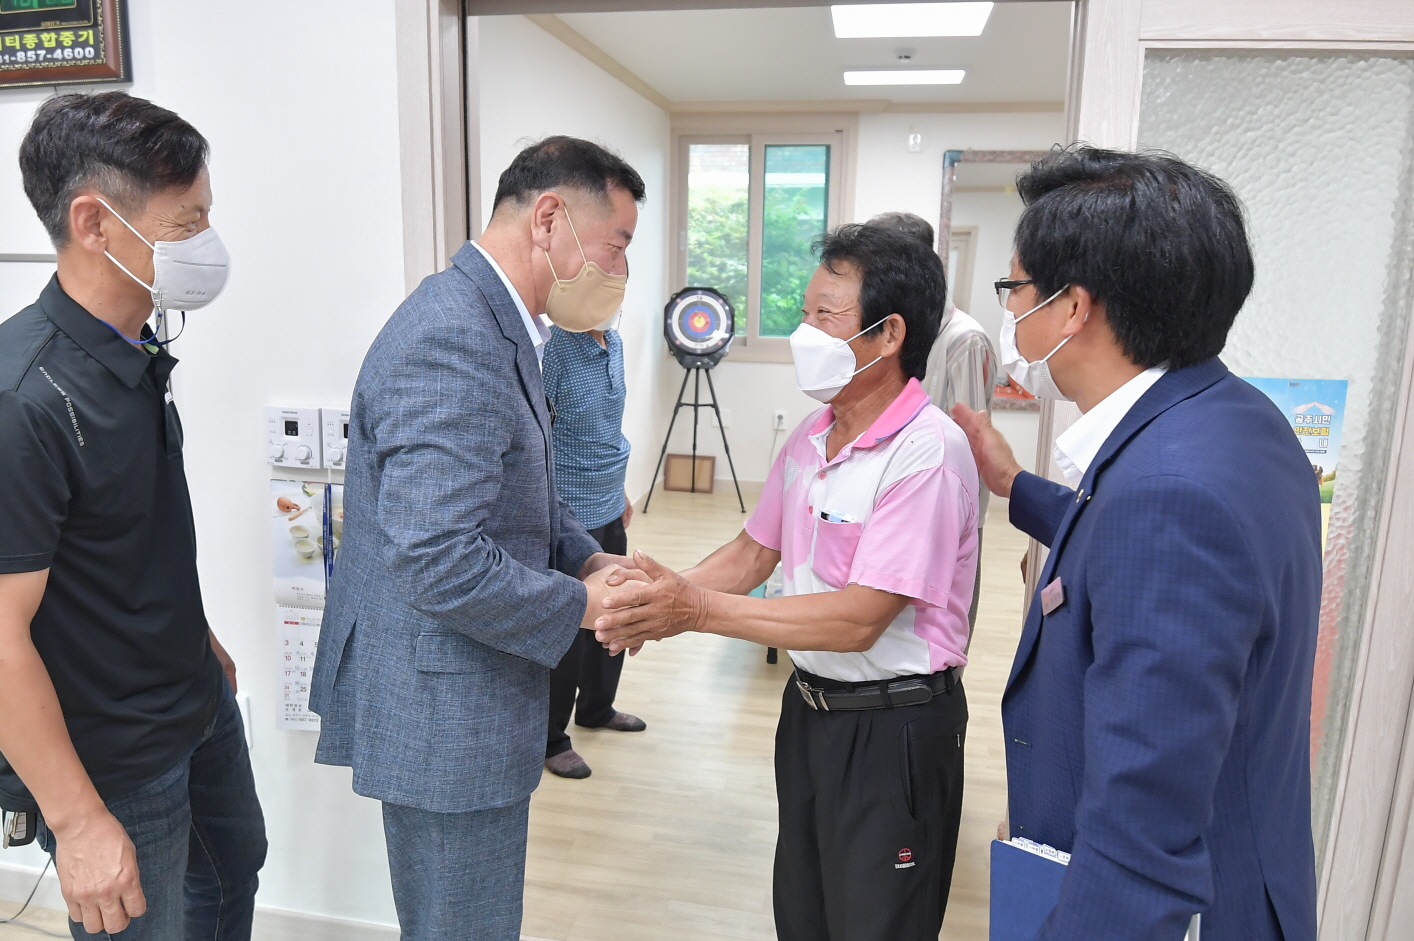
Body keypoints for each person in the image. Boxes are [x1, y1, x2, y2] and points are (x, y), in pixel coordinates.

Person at [951, 146, 1320, 940]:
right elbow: (1126, 553)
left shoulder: (1170, 495)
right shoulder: (1231, 419)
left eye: (1016, 289)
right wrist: (1015, 485)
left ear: (1073, 308)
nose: (1013, 314)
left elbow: (1139, 840)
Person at [593, 224, 978, 941]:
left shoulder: (927, 454)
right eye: (804, 312)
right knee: (804, 913)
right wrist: (659, 593)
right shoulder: (812, 436)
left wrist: (693, 608)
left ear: (889, 333)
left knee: (876, 924)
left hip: (892, 729)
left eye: (825, 315)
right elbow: (753, 551)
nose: (806, 332)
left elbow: (859, 619)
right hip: (808, 714)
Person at [308, 136, 646, 941]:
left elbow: (520, 490)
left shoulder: (502, 323)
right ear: (550, 219)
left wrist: (588, 555)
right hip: (443, 712)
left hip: (467, 694)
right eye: (616, 245)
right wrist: (580, 602)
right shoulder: (454, 334)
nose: (621, 270)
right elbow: (436, 554)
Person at [0, 92, 266, 939]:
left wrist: (198, 637)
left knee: (232, 871)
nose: (206, 242)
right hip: (111, 752)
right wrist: (78, 821)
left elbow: (124, 531)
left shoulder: (134, 347)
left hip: (194, 695)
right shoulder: (23, 400)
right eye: (187, 222)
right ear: (94, 223)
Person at [868, 211, 998, 634]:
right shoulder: (891, 329)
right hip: (892, 500)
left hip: (944, 512)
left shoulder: (964, 339)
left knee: (941, 633)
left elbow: (971, 444)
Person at [542, 320, 647, 780]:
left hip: (607, 501)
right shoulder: (554, 349)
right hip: (569, 513)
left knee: (616, 612)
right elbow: (538, 435)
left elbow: (607, 429)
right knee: (570, 625)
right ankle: (551, 739)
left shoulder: (614, 343)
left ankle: (597, 708)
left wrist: (620, 490)